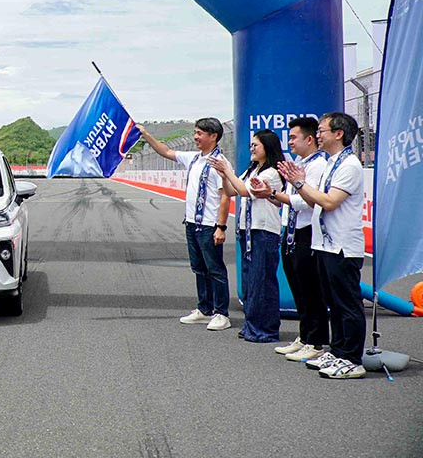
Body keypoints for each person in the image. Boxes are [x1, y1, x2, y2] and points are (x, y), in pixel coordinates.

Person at [277, 112, 367, 379]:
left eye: (323, 130)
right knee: (333, 303)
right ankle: (338, 351)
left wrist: (300, 183)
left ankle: (352, 358)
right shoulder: (331, 163)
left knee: (347, 303)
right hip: (325, 245)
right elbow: (314, 199)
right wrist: (297, 183)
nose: (318, 135)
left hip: (342, 246)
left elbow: (329, 202)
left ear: (339, 134)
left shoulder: (349, 165)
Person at [137, 118, 232, 331]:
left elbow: (225, 196)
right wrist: (146, 134)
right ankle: (204, 309)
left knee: (215, 269)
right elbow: (166, 151)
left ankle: (221, 313)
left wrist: (221, 226)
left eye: (199, 133)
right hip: (191, 223)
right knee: (199, 268)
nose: (196, 137)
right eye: (195, 133)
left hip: (209, 225)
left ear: (213, 136)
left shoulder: (220, 163)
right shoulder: (194, 158)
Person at [251, 117, 329, 362]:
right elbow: (289, 197)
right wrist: (272, 196)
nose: (290, 142)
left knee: (310, 289)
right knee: (298, 288)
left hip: (307, 233)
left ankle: (316, 340)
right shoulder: (298, 162)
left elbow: (307, 199)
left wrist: (274, 193)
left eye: (294, 137)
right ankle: (305, 336)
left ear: (309, 139)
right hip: (291, 231)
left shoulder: (317, 166)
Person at [211, 129, 285, 343]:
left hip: (263, 231)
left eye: (256, 145)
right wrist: (225, 176)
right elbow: (232, 191)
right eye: (251, 145)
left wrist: (228, 170)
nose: (251, 149)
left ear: (267, 147)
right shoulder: (253, 169)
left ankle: (265, 329)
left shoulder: (271, 172)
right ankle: (252, 325)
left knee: (262, 281)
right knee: (250, 282)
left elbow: (245, 191)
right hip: (248, 231)